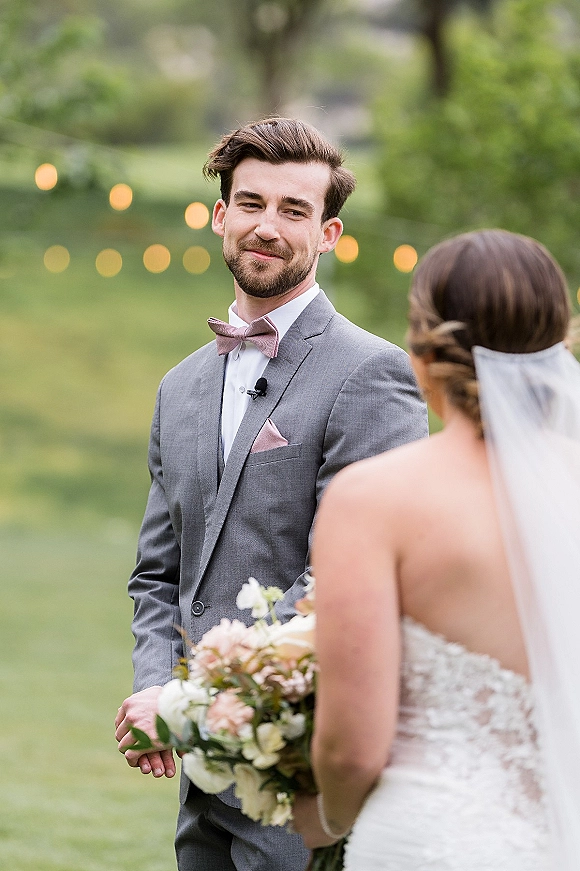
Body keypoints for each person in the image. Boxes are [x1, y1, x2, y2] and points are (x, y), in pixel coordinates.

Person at [114, 116, 428, 871]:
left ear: (329, 234)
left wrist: (201, 704)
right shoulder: (178, 387)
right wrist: (158, 693)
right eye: (251, 203)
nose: (268, 226)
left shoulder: (371, 375)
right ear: (221, 216)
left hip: (310, 778)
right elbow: (158, 574)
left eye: (295, 210)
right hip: (199, 780)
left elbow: (351, 581)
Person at [293, 228, 580, 870]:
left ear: (422, 349)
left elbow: (353, 750)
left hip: (427, 841)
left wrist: (331, 820)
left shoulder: (373, 498)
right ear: (558, 344)